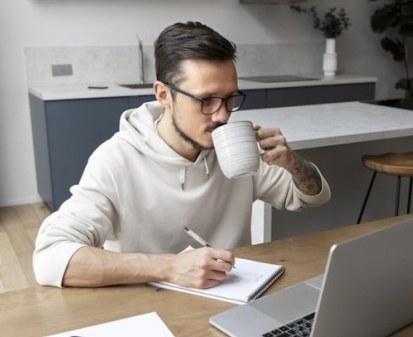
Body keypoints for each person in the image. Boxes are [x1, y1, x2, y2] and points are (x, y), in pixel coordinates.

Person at [33, 21, 331, 289]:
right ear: (164, 95)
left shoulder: (235, 149)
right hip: (145, 310)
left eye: (229, 99)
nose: (222, 115)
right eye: (207, 100)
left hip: (234, 299)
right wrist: (170, 267)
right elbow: (49, 257)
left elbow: (311, 197)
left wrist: (293, 163)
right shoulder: (115, 160)